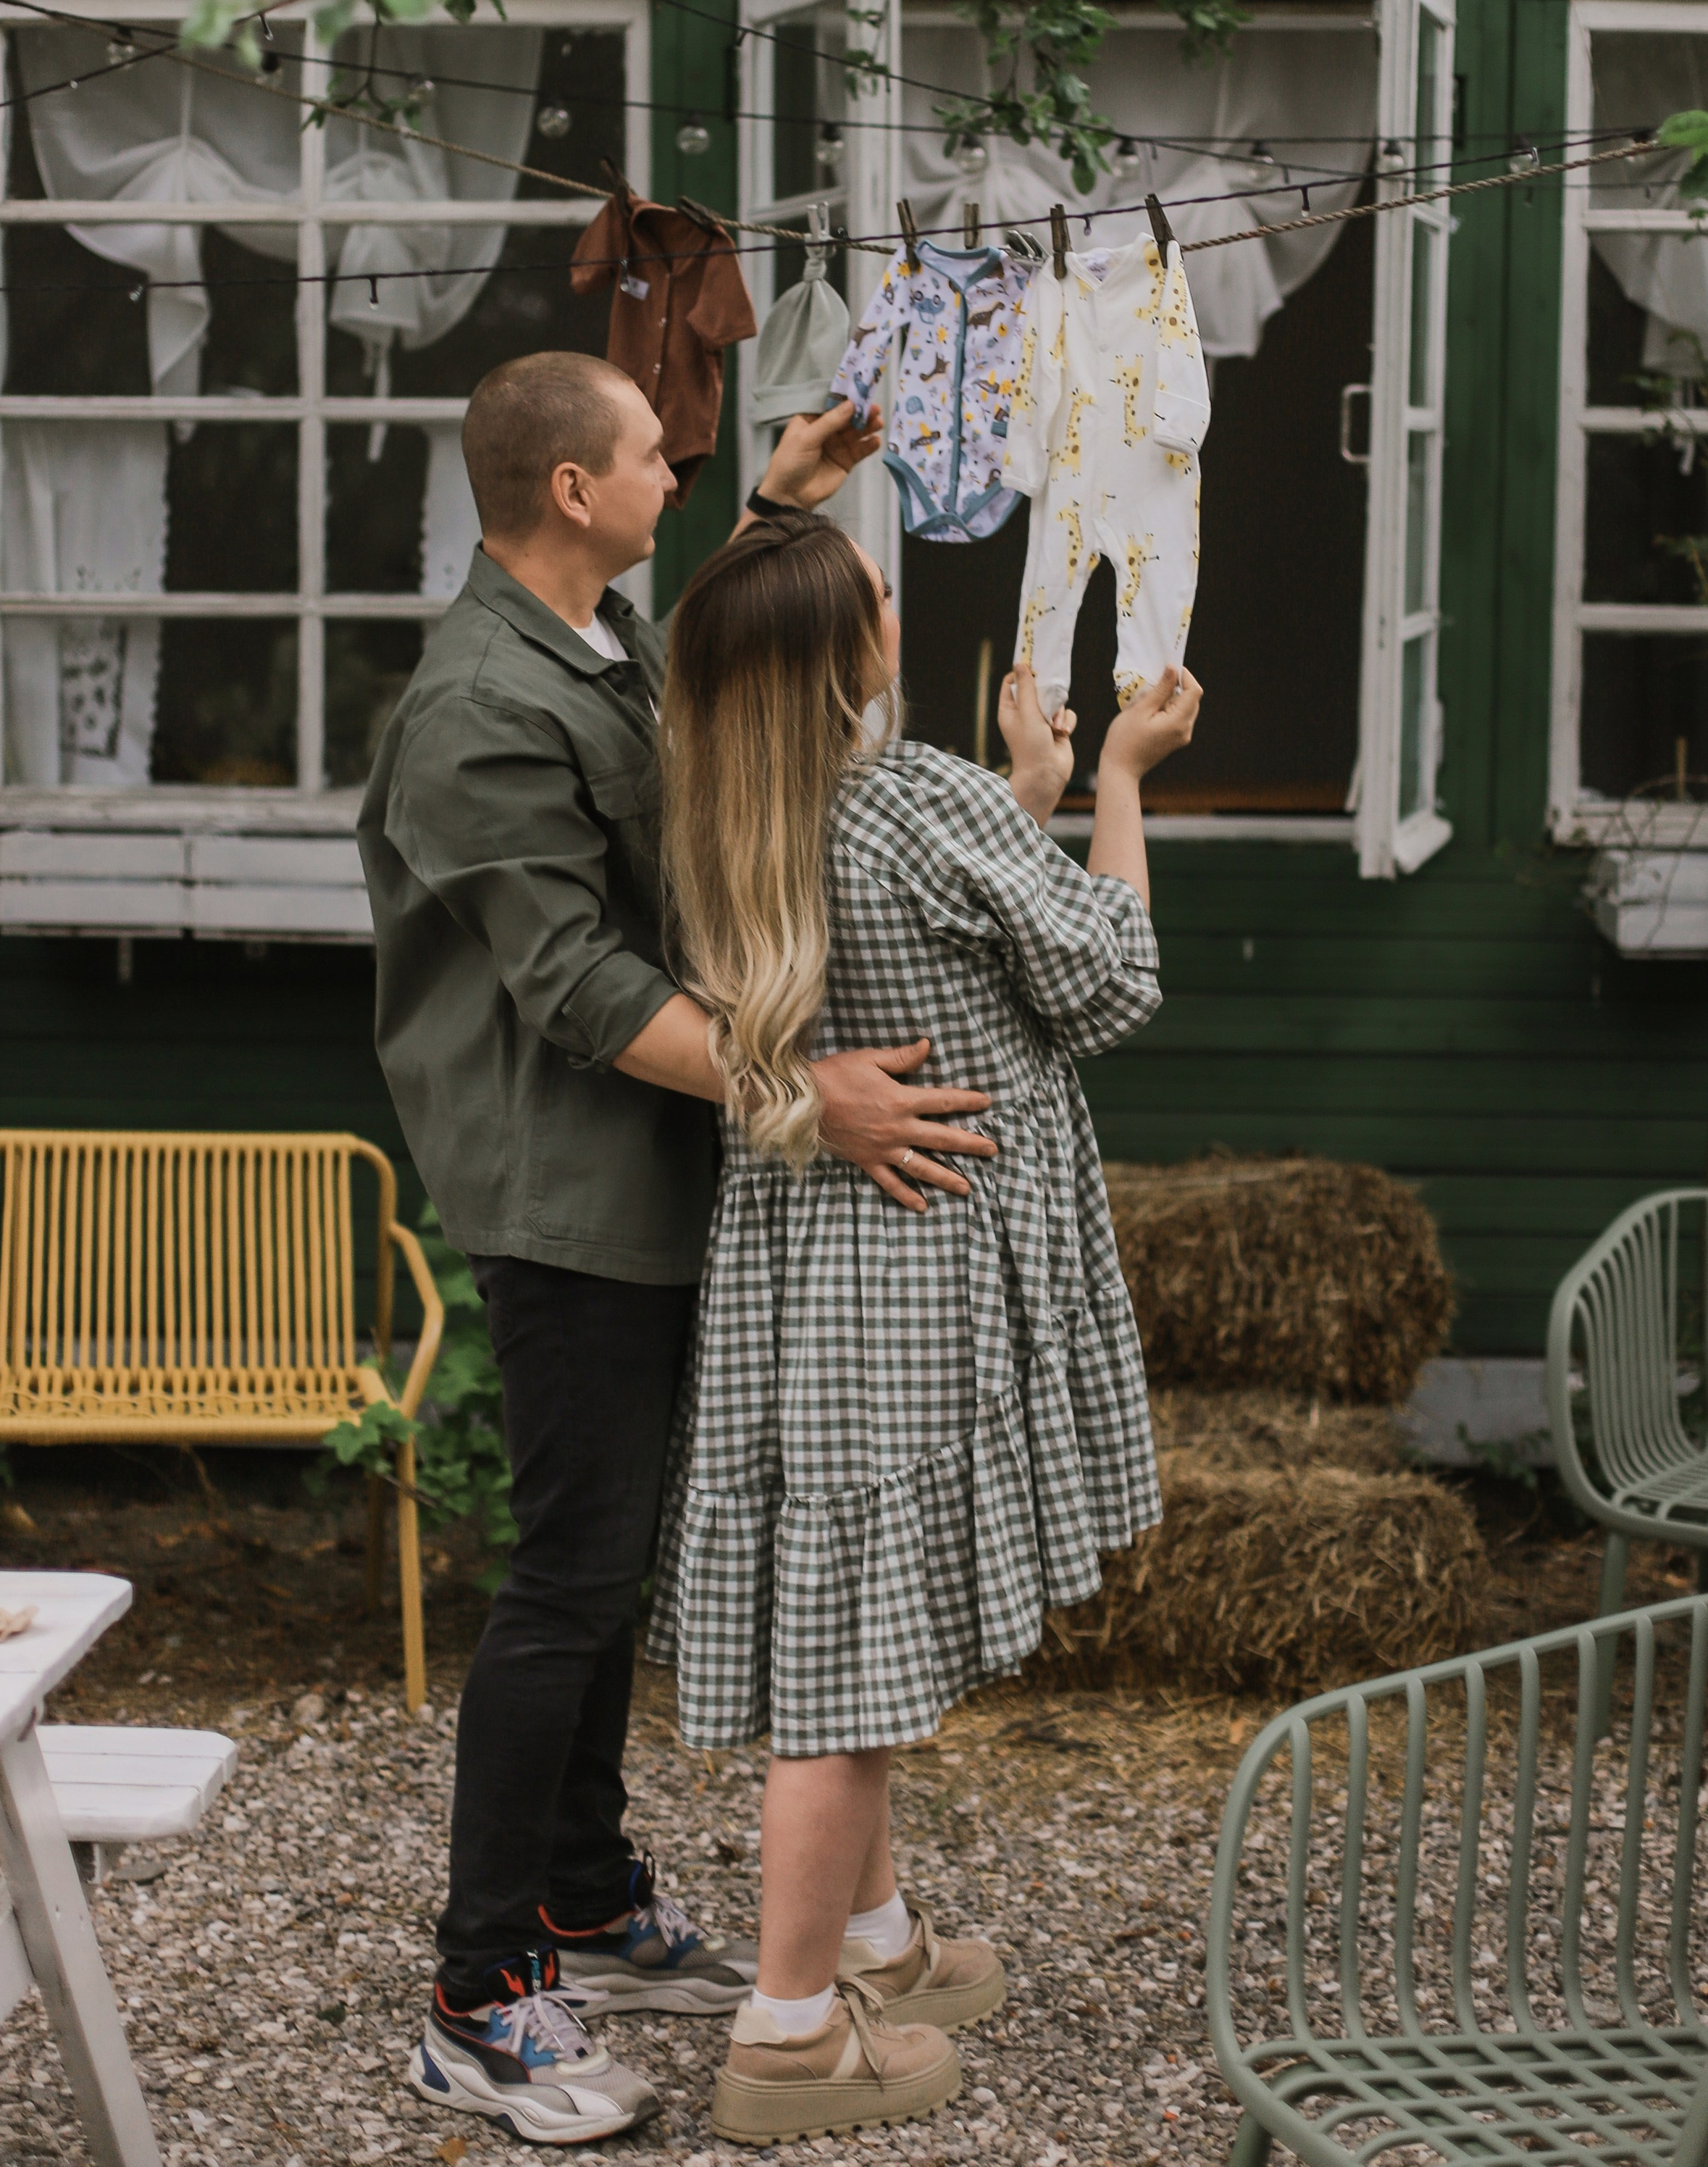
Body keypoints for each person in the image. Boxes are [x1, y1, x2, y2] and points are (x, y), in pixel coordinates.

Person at [359, 351, 1000, 2146]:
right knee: (569, 1580)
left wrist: (781, 516)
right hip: (565, 1197)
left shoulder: (586, 640)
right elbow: (574, 985)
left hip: (644, 1183)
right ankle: (481, 1998)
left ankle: (580, 1899)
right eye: (656, 452)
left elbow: (712, 681)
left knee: (607, 1565)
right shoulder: (480, 708)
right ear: (571, 490)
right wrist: (813, 1093)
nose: (678, 465)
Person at [648, 508, 1200, 2147]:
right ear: (849, 656)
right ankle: (788, 2032)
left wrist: (1017, 799)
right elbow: (1105, 979)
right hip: (925, 1259)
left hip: (800, 1270)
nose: (896, 602)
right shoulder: (911, 800)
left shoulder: (722, 821)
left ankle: (877, 1942)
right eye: (877, 594)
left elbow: (934, 920)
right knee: (850, 1679)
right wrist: (1114, 779)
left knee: (846, 1611)